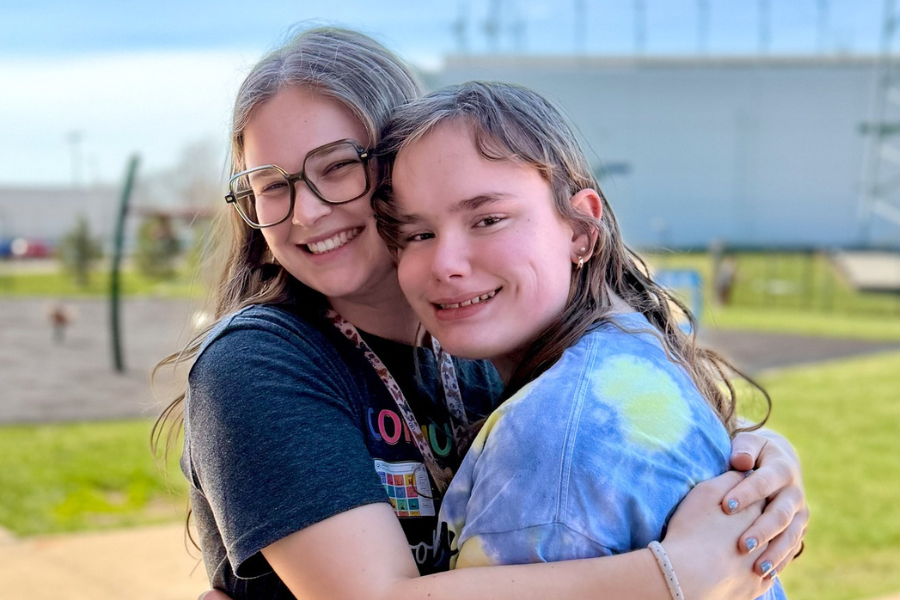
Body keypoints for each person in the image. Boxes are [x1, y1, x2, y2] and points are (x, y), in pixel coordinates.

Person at [154, 27, 808, 600]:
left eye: (338, 168)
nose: (308, 212)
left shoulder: (473, 329)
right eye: (272, 187)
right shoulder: (259, 363)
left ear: (401, 164)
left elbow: (614, 408)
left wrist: (759, 462)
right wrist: (679, 577)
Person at [374, 81, 801, 596]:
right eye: (418, 234)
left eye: (487, 219)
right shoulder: (629, 345)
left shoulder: (549, 447)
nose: (445, 264)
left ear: (581, 230)